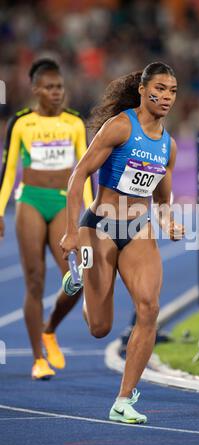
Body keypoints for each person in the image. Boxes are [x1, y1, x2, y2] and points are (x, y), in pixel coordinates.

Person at [60, 62, 184, 424]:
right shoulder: (120, 126)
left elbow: (161, 200)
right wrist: (70, 231)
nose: (166, 96)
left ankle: (123, 400)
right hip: (98, 227)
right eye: (159, 88)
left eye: (173, 91)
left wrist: (168, 220)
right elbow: (79, 173)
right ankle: (79, 275)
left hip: (138, 230)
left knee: (149, 308)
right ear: (144, 90)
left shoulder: (168, 146)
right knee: (100, 327)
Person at [0, 58, 94, 380]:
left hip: (63, 204)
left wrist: (91, 215)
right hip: (30, 202)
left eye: (60, 87)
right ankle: (38, 359)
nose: (57, 92)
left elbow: (86, 173)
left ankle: (50, 328)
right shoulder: (22, 123)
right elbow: (9, 170)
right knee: (35, 281)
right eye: (50, 87)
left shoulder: (75, 123)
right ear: (36, 89)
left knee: (77, 278)